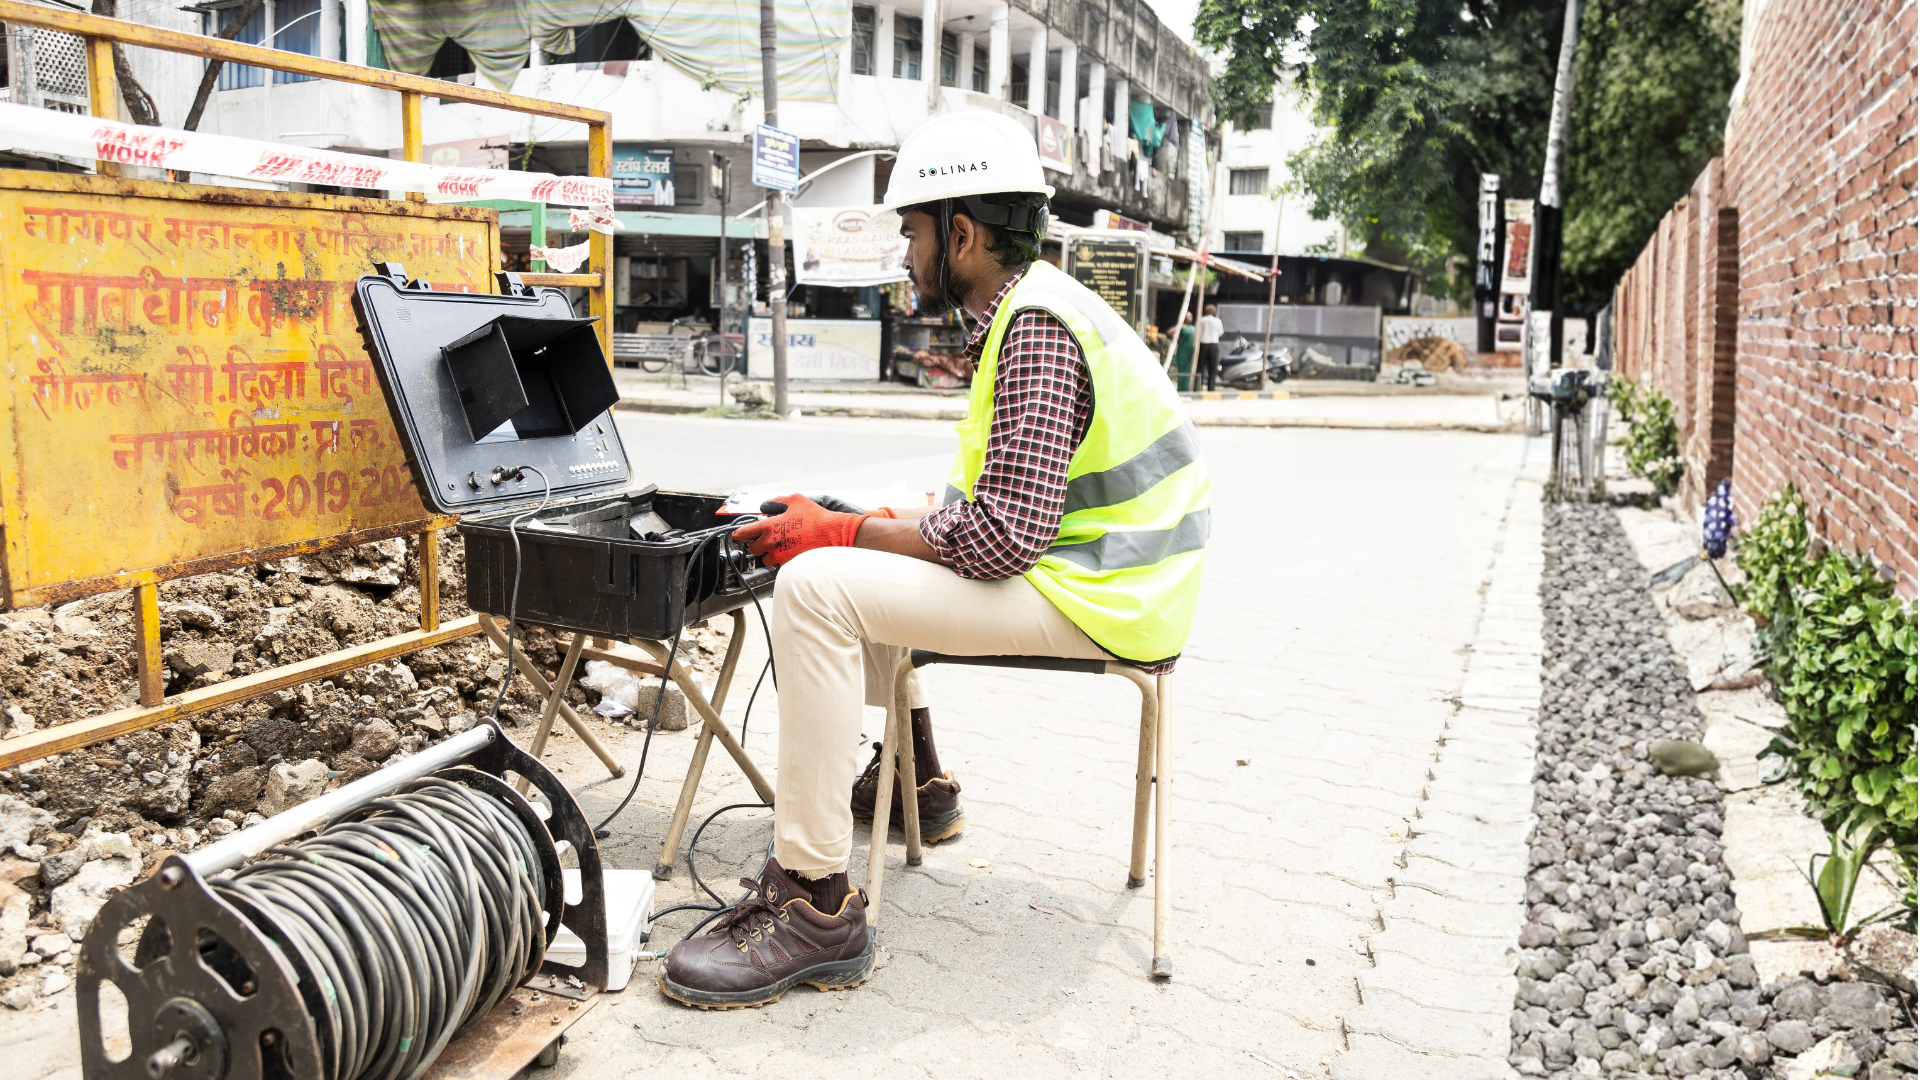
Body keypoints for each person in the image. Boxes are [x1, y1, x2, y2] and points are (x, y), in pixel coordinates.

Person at [656, 109, 1212, 1010]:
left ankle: (814, 903)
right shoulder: (1037, 311)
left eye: (913, 232)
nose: (907, 255)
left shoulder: (1032, 329)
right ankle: (919, 783)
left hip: (1098, 601)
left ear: (961, 233)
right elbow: (978, 508)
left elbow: (998, 542)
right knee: (852, 554)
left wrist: (838, 536)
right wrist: (855, 514)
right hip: (1104, 585)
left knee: (814, 588)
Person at [1197, 303, 1224, 391]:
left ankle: (1198, 387)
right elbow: (1220, 333)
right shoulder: (1217, 321)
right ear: (1214, 312)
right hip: (1213, 345)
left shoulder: (1201, 320)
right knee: (1212, 368)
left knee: (1200, 367)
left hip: (1203, 345)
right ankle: (1211, 388)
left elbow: (1196, 333)